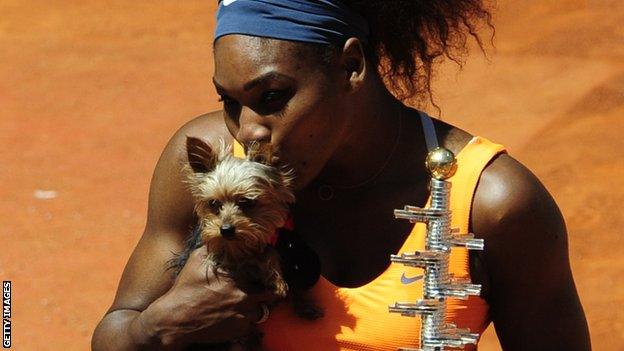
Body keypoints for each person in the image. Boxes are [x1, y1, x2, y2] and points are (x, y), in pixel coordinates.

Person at [92, 0, 591, 350]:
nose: (248, 132)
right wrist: (156, 329)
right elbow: (114, 334)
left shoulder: (494, 204)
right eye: (229, 101)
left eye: (272, 98)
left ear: (351, 65)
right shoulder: (207, 161)